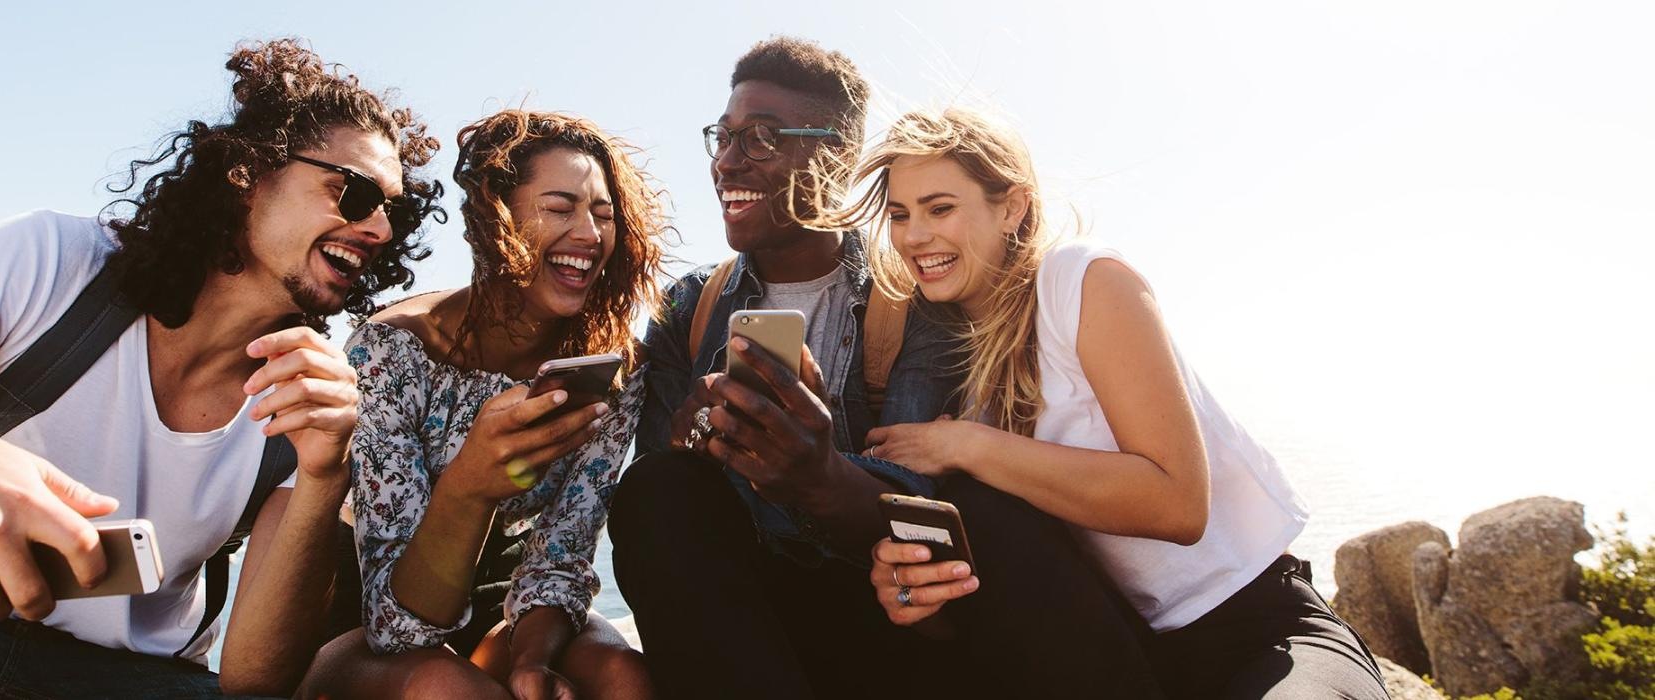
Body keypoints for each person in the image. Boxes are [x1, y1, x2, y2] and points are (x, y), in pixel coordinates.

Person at [0, 39, 442, 697]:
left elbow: (253, 679)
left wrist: (325, 473)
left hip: (130, 679)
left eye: (396, 209)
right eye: (355, 192)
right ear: (247, 172)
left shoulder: (311, 400)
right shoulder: (49, 264)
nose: (382, 228)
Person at [840, 108, 1388, 698]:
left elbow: (1178, 504)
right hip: (1122, 650)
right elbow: (993, 594)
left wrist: (970, 446)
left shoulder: (1080, 280)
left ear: (1012, 206)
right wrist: (915, 594)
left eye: (939, 208)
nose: (914, 236)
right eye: (899, 215)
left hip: (1259, 625)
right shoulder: (953, 379)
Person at [607, 37, 987, 699]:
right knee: (658, 487)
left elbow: (928, 520)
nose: (727, 162)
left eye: (761, 138)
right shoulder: (690, 306)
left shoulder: (916, 303)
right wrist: (687, 442)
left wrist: (817, 475)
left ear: (837, 156)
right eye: (722, 138)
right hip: (740, 620)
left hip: (881, 615)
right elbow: (658, 512)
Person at [296, 110, 665, 700]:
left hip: (510, 615)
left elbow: (561, 556)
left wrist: (531, 663)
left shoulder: (612, 367)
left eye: (603, 214)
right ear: (498, 219)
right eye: (560, 207)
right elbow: (400, 629)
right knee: (448, 687)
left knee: (622, 676)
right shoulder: (393, 348)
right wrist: (470, 484)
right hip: (368, 625)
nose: (591, 235)